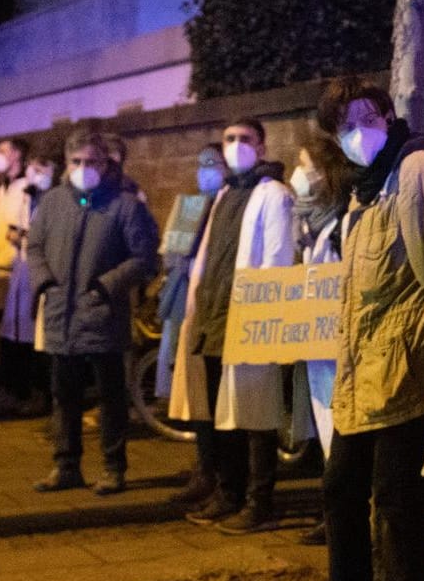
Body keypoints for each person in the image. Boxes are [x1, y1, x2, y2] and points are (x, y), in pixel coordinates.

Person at [288, 77, 424, 581]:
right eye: (343, 125)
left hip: (408, 368)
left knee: (397, 501)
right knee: (340, 490)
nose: (355, 132)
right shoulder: (364, 190)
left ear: (387, 114)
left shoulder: (414, 171)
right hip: (365, 373)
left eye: (364, 117)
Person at [170, 118, 293, 532]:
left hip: (249, 320)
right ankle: (229, 493)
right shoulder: (224, 194)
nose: (236, 146)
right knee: (224, 418)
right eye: (230, 139)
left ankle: (259, 502)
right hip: (213, 320)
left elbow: (276, 260)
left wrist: (264, 316)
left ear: (261, 147)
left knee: (256, 418)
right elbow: (207, 260)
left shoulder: (273, 194)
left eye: (245, 140)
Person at [27, 132, 159, 494]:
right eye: (77, 162)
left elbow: (145, 257)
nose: (84, 170)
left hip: (103, 313)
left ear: (106, 164)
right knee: (64, 394)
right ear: (67, 164)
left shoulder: (125, 205)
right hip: (61, 313)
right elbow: (34, 245)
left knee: (110, 396)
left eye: (92, 162)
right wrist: (45, 283)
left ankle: (113, 467)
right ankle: (66, 464)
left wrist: (107, 285)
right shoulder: (52, 202)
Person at [287, 132, 352, 545]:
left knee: (340, 439)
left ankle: (345, 521)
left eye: (305, 166)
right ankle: (336, 518)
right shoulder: (312, 227)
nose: (298, 175)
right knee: (327, 436)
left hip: (338, 353)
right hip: (318, 353)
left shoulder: (342, 225)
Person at [165, 144, 228, 510]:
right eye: (200, 163)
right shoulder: (192, 206)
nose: (205, 171)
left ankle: (213, 472)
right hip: (186, 308)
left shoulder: (228, 203)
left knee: (208, 396)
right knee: (193, 394)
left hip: (212, 312)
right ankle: (204, 468)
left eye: (212, 164)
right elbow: (171, 254)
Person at [0, 148, 57, 417]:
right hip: (22, 268)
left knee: (39, 336)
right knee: (18, 332)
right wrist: (18, 235)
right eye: (32, 168)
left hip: (43, 272)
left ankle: (42, 394)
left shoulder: (57, 199)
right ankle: (19, 389)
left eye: (42, 168)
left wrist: (29, 237)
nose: (35, 174)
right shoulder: (27, 197)